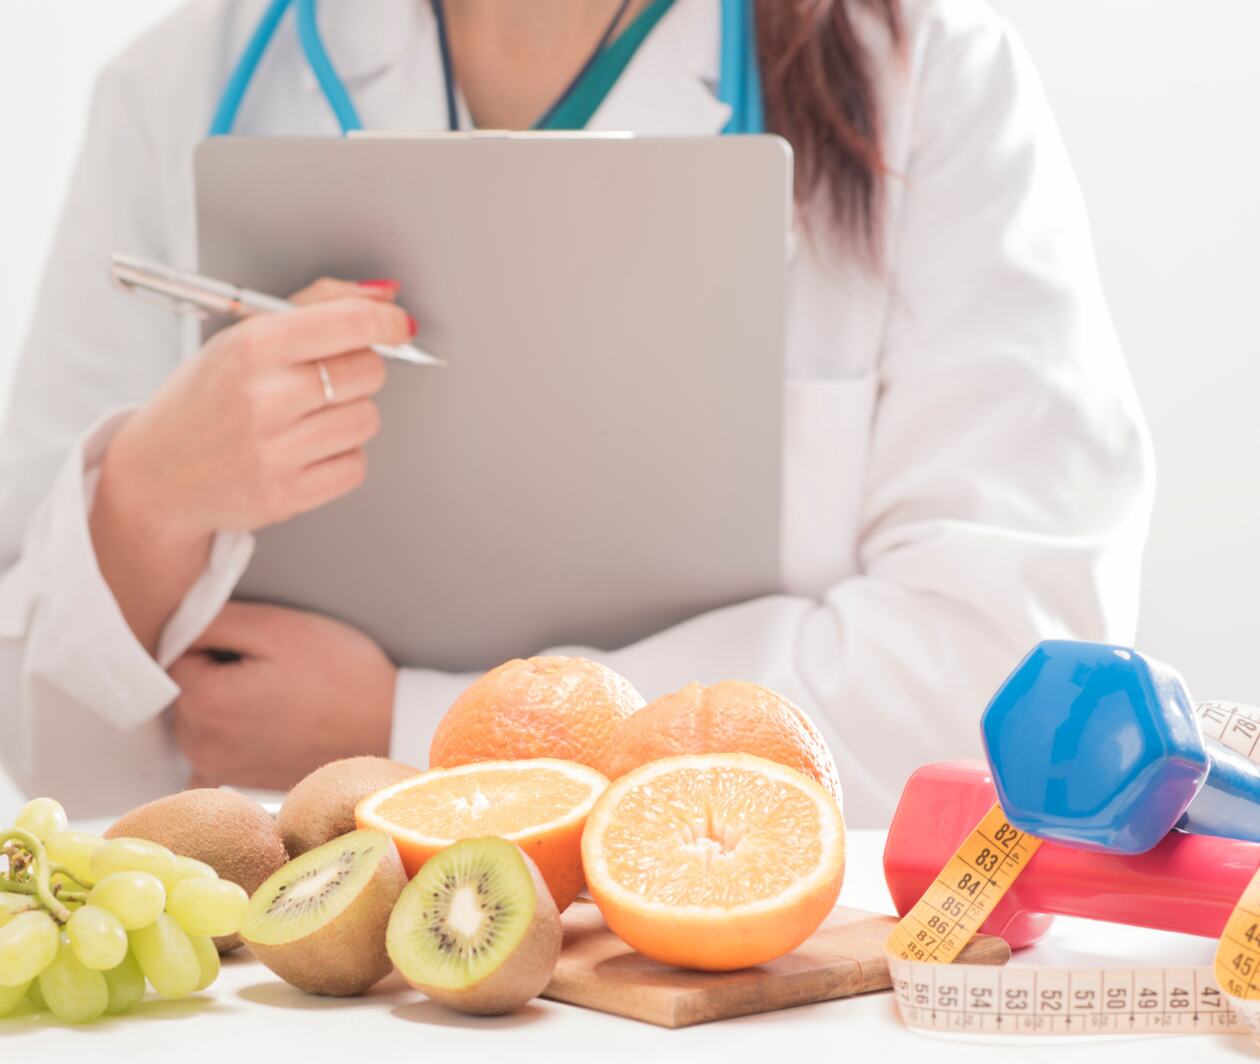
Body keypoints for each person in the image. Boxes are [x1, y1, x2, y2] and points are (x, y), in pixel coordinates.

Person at [0, 0, 1153, 824]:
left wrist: (413, 730)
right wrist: (149, 497)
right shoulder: (178, 89)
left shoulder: (933, 82)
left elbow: (1003, 687)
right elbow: (49, 759)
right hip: (304, 976)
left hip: (735, 975)